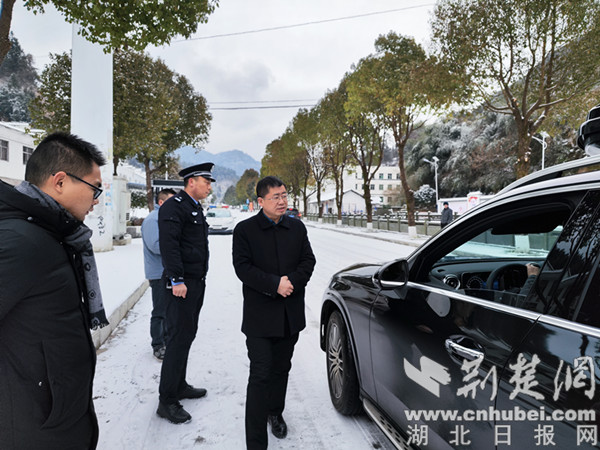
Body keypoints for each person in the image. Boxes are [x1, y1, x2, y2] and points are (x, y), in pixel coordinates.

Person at [0, 132, 108, 449]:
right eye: (94, 188)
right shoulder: (20, 241)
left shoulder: (52, 234)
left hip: (57, 413)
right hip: (34, 424)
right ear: (60, 182)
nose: (97, 199)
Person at [233, 176, 316, 450]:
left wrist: (290, 282)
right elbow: (242, 268)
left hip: (289, 315)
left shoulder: (296, 227)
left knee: (281, 368)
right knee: (260, 375)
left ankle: (275, 412)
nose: (282, 201)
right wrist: (274, 284)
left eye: (284, 195)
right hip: (259, 318)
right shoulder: (245, 230)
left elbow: (308, 261)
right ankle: (256, 442)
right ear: (261, 201)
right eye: (275, 197)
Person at [156, 163, 215, 424]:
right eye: (206, 181)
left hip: (195, 282)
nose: (209, 187)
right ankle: (167, 400)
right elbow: (169, 246)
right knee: (177, 338)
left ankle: (179, 385)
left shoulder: (193, 207)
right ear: (192, 181)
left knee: (187, 336)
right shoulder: (174, 206)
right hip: (181, 285)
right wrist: (177, 279)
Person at [142, 188, 176, 361]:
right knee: (160, 311)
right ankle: (158, 345)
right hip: (158, 273)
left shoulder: (164, 218)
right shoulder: (152, 220)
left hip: (167, 271)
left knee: (169, 310)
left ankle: (167, 340)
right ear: (161, 202)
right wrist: (177, 246)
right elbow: (156, 246)